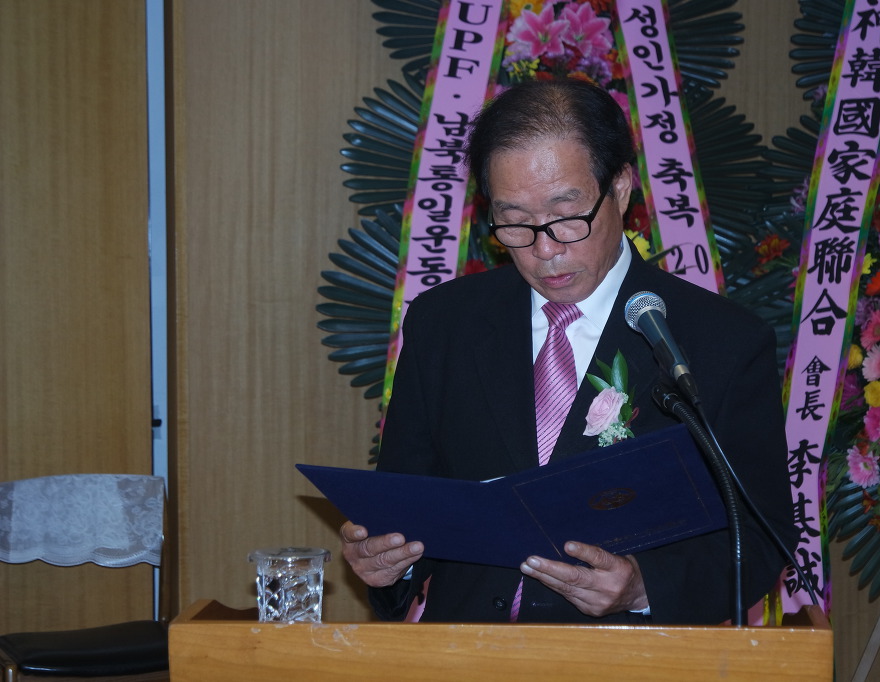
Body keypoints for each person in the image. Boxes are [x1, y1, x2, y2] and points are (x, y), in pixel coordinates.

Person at [340, 78, 797, 625]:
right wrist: (387, 562)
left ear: (621, 189)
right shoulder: (445, 324)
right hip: (466, 650)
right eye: (514, 222)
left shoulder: (719, 340)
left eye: (566, 215)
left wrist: (643, 587)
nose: (545, 249)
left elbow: (761, 539)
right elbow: (410, 506)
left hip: (627, 655)